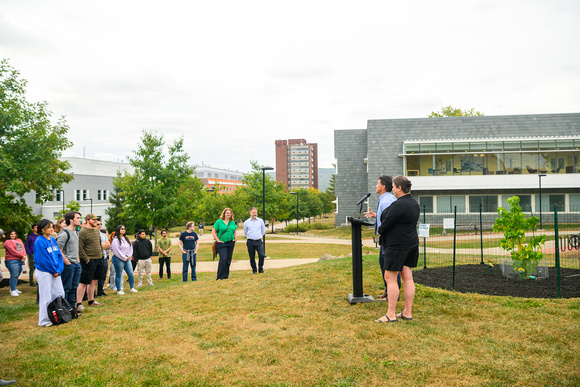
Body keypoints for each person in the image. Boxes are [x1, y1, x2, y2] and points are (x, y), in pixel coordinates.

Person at [375, 176, 420, 323]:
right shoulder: (414, 203)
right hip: (411, 244)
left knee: (390, 278)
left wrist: (380, 230)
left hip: (396, 246)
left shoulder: (398, 205)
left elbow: (385, 225)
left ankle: (391, 314)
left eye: (393, 187)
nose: (392, 189)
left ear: (399, 188)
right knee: (408, 278)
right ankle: (407, 312)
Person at [364, 175, 400, 299]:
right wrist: (374, 214)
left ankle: (394, 293)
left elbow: (391, 219)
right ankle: (388, 290)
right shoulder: (385, 199)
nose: (376, 185)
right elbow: (385, 216)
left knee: (391, 266)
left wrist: (383, 231)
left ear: (383, 186)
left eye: (378, 183)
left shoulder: (387, 200)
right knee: (383, 263)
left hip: (389, 239)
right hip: (385, 238)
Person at [33, 219, 65, 327]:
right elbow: (43, 260)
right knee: (46, 296)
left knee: (59, 293)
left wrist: (59, 270)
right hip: (44, 272)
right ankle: (44, 320)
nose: (52, 229)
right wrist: (53, 270)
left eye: (52, 226)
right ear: (43, 229)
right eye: (49, 227)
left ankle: (58, 315)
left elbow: (59, 256)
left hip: (55, 272)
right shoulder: (39, 241)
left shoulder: (52, 239)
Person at [76, 214, 108, 310]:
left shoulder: (96, 231)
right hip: (88, 260)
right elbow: (80, 247)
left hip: (99, 259)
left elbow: (99, 244)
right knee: (84, 282)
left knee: (94, 281)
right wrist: (86, 259)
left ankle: (91, 301)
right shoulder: (83, 232)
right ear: (88, 220)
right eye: (93, 220)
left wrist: (102, 256)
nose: (96, 222)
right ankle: (79, 303)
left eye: (96, 220)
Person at [57, 211, 82, 307]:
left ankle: (72, 308)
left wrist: (78, 259)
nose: (80, 220)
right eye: (78, 218)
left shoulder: (76, 232)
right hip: (68, 265)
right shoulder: (64, 233)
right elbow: (59, 250)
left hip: (76, 264)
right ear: (71, 220)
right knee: (66, 288)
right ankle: (65, 308)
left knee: (74, 287)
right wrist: (67, 262)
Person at [110, 225, 138, 295]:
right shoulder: (115, 240)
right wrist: (124, 257)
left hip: (127, 258)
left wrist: (128, 256)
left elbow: (131, 248)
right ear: (118, 230)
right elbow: (116, 251)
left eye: (124, 229)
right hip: (118, 259)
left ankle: (132, 288)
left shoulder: (126, 239)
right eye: (122, 229)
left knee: (131, 273)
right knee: (119, 274)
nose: (123, 230)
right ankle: (119, 290)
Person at [212, 208, 237, 280]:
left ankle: (226, 275)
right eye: (227, 213)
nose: (228, 214)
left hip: (230, 243)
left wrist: (235, 238)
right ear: (224, 214)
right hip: (221, 243)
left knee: (228, 259)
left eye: (230, 213)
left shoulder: (232, 222)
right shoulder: (219, 222)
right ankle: (220, 277)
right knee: (223, 259)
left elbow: (234, 230)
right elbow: (213, 232)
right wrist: (218, 240)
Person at [3, 229, 27, 296]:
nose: (14, 235)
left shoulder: (19, 240)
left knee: (17, 275)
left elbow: (23, 248)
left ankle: (14, 288)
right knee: (14, 275)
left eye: (14, 234)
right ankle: (13, 290)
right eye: (11, 234)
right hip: (12, 261)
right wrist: (21, 255)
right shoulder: (7, 242)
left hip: (20, 260)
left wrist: (23, 255)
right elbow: (12, 251)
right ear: (9, 235)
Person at [243, 207, 266, 274]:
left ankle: (260, 269)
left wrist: (259, 236)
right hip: (250, 241)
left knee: (261, 255)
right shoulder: (246, 222)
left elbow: (263, 231)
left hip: (258, 241)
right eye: (253, 212)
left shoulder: (260, 221)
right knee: (252, 257)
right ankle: (254, 270)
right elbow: (245, 232)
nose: (255, 214)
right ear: (250, 213)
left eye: (256, 212)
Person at [96, 221, 110, 297]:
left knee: (103, 274)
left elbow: (108, 245)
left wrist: (100, 245)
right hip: (95, 257)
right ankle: (93, 292)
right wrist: (101, 245)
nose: (99, 225)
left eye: (100, 224)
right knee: (94, 277)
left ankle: (100, 291)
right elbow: (94, 246)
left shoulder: (103, 235)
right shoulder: (94, 234)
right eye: (98, 224)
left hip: (104, 257)